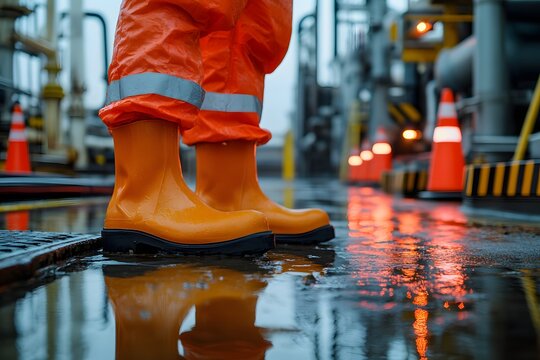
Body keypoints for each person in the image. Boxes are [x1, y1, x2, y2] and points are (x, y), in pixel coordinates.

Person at [99, 0, 335, 255]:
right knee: (181, 3)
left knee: (252, 25)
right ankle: (143, 197)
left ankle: (230, 194)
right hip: (146, 196)